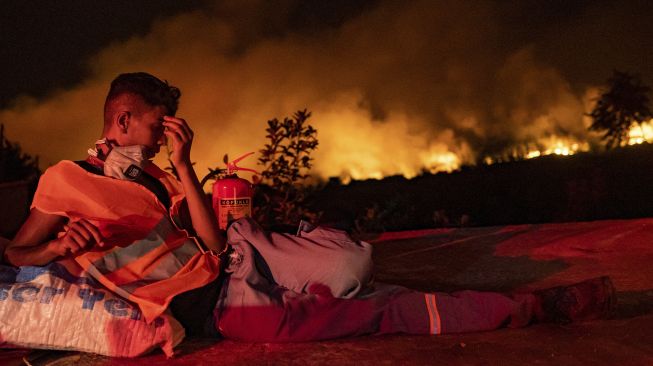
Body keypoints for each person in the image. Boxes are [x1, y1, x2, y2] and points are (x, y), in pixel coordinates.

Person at [3, 72, 616, 345]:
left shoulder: (161, 176)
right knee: (371, 311)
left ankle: (319, 250)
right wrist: (54, 250)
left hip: (233, 259)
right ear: (121, 120)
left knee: (354, 265)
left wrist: (185, 169)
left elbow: (213, 246)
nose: (164, 139)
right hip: (219, 306)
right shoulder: (64, 179)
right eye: (158, 129)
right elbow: (13, 251)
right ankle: (533, 307)